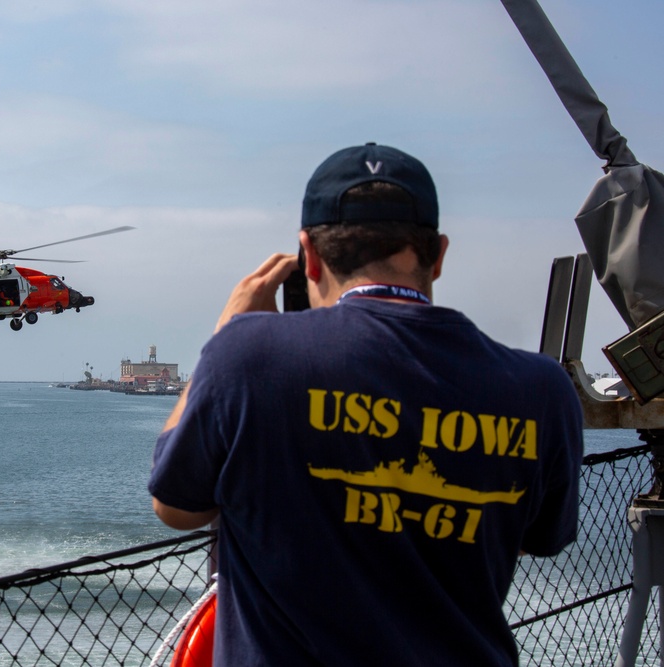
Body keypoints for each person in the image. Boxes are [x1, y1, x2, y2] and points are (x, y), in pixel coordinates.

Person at [148, 143, 583, 666]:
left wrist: (225, 335)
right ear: (439, 254)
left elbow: (176, 508)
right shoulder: (542, 389)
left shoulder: (247, 355)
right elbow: (534, 536)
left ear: (308, 255)